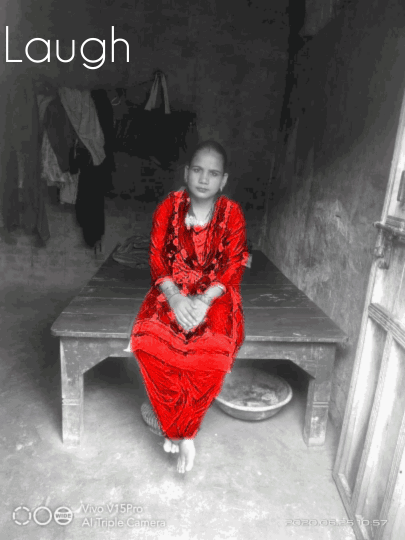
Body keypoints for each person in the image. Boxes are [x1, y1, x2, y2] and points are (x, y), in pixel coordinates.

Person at [128, 140, 250, 473]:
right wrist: (175, 297)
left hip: (216, 292)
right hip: (172, 288)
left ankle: (177, 430)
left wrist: (205, 301)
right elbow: (156, 257)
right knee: (149, 345)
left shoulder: (232, 213)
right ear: (186, 172)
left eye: (213, 173)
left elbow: (234, 265)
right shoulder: (169, 207)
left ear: (223, 180)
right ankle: (183, 434)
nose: (204, 179)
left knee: (214, 352)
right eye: (197, 170)